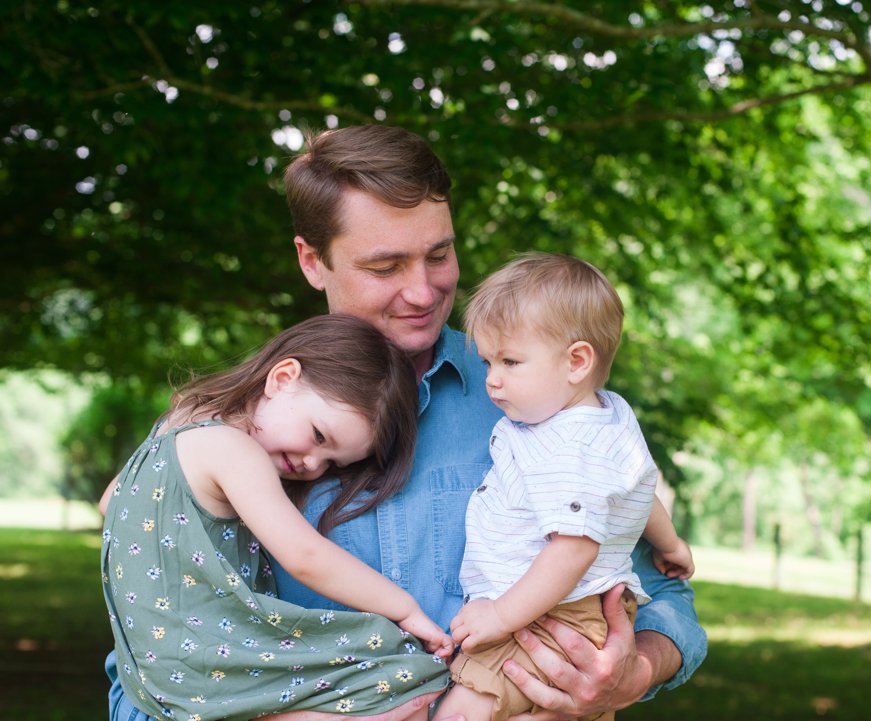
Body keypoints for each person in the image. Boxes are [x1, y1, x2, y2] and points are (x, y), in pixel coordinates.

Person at [106, 124, 707, 721]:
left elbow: (663, 587)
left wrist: (639, 669)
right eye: (385, 266)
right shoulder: (236, 425)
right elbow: (153, 651)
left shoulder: (550, 396)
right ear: (312, 261)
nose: (422, 290)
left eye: (439, 255)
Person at [100, 314, 453, 721]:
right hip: (207, 662)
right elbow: (305, 556)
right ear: (282, 378)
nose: (311, 464)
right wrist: (404, 609)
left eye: (331, 462)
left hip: (151, 671)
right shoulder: (232, 448)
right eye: (319, 436)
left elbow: (111, 502)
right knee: (407, 672)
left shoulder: (178, 422)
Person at [438, 253, 695, 721]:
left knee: (460, 712)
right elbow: (638, 491)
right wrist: (670, 542)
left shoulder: (564, 446)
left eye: (511, 362)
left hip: (543, 615)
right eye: (488, 361)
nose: (492, 380)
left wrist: (498, 617)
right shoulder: (609, 415)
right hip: (580, 616)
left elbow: (573, 549)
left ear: (576, 362)